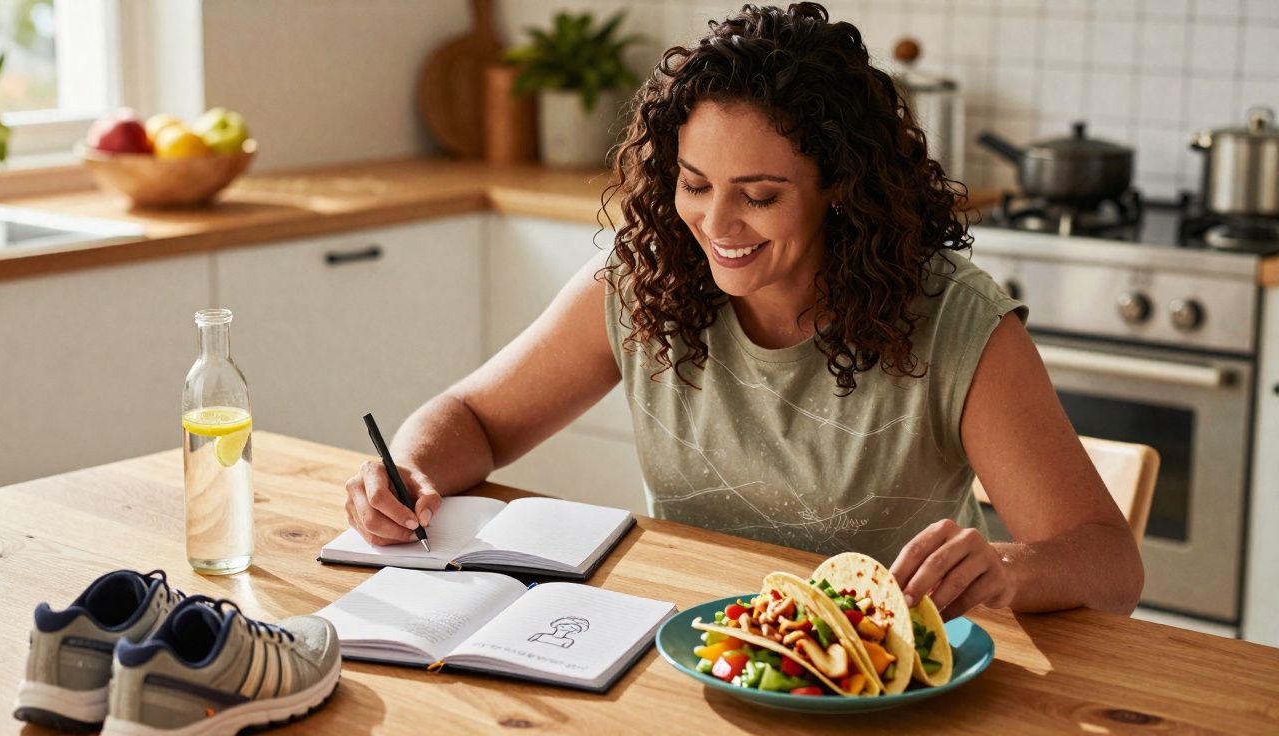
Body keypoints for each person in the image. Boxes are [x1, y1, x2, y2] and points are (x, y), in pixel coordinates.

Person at [343, 3, 1143, 621]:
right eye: (695, 185)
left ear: (841, 187)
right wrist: (408, 470)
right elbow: (474, 419)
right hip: (692, 654)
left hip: (884, 687)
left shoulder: (954, 322)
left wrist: (1007, 569)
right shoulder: (644, 282)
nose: (717, 227)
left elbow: (1110, 563)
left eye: (759, 196)